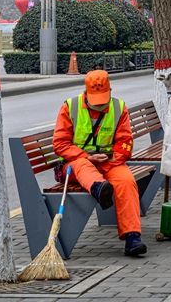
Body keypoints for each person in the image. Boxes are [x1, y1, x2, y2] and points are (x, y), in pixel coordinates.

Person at [53, 70, 147, 257]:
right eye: (95, 99)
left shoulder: (119, 108)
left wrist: (114, 159)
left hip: (108, 162)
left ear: (110, 91)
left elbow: (125, 142)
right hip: (75, 164)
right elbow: (60, 144)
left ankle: (132, 237)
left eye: (103, 99)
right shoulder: (70, 107)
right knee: (82, 165)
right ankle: (99, 188)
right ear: (86, 93)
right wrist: (86, 156)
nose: (100, 104)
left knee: (126, 181)